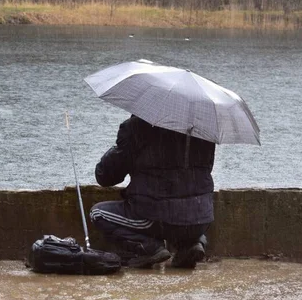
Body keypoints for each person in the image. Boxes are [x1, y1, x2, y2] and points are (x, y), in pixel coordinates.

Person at [89, 115, 216, 268]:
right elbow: (206, 169)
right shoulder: (204, 128)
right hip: (201, 217)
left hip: (155, 216)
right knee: (185, 213)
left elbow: (106, 176)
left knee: (98, 213)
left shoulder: (137, 125)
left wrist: (118, 148)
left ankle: (150, 248)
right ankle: (193, 243)